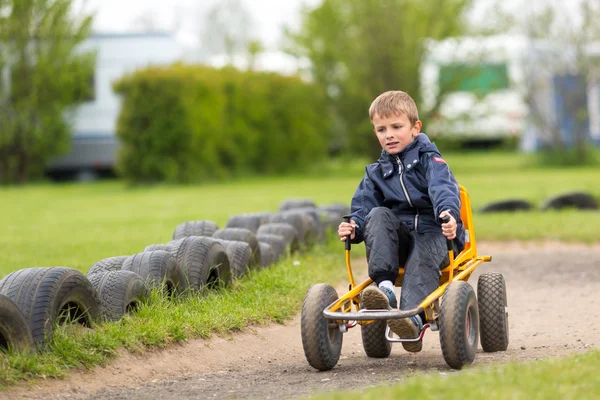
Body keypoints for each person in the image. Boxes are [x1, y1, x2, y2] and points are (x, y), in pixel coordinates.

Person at [337, 90, 464, 353]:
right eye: (381, 129)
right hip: (398, 242)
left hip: (434, 234)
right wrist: (354, 227)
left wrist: (449, 215)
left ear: (415, 128)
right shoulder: (375, 174)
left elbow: (443, 190)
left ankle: (411, 318)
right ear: (375, 133)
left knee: (421, 258)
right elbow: (363, 207)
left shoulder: (431, 161)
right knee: (378, 214)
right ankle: (384, 290)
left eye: (397, 127)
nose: (389, 135)